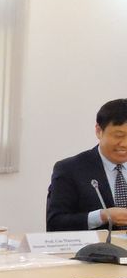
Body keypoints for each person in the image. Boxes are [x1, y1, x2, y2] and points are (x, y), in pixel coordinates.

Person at [46, 99, 127, 232]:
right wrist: (101, 216)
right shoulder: (69, 169)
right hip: (95, 245)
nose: (124, 144)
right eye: (118, 135)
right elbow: (55, 223)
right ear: (99, 131)